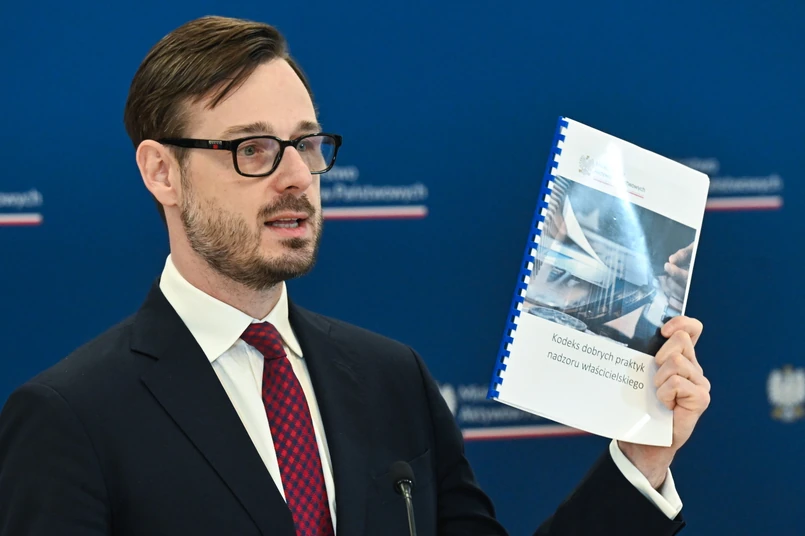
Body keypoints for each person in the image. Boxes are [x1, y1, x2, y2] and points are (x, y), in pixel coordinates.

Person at [0, 15, 711, 536]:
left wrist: (640, 459)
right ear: (163, 172)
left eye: (305, 144)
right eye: (252, 149)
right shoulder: (70, 418)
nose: (294, 177)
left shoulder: (391, 379)